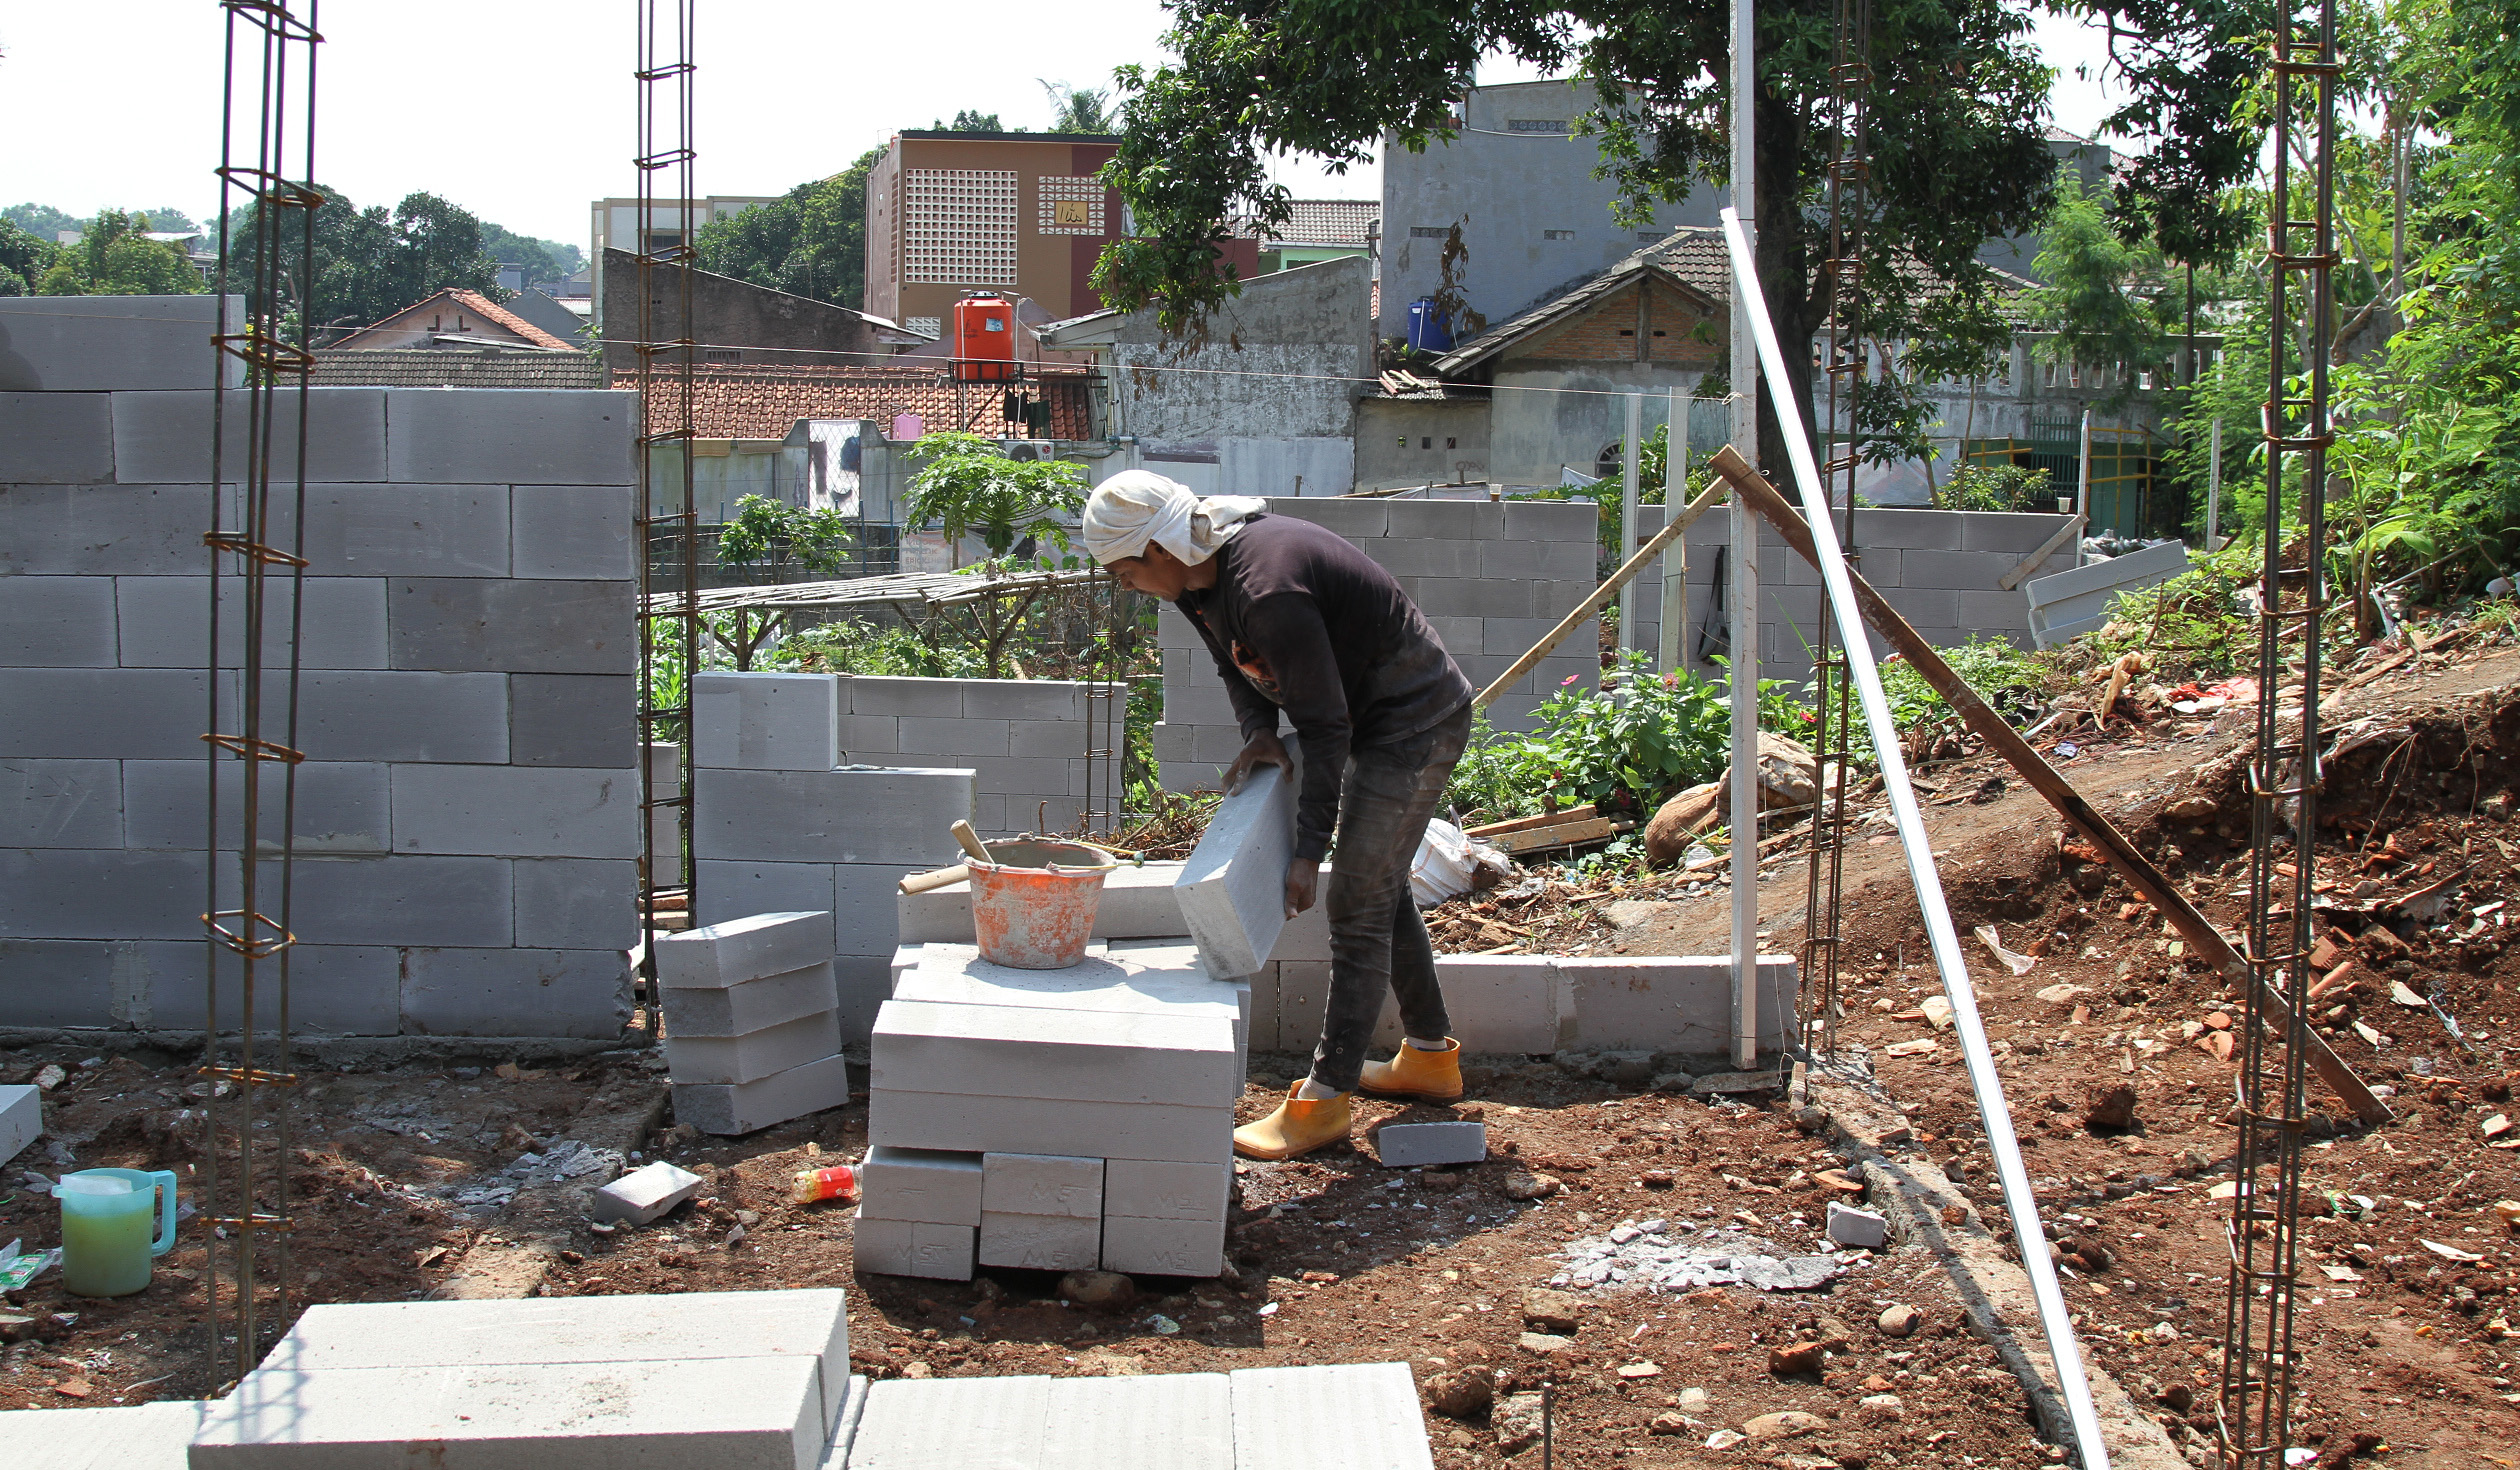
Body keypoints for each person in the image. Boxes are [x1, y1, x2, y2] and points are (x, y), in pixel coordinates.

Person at [1081, 471, 1476, 1160]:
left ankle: (1324, 1101)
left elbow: (1326, 728)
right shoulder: (1198, 581)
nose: (1126, 587)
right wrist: (1257, 729)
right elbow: (1232, 665)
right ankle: (1429, 1059)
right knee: (1378, 884)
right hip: (1372, 721)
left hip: (1416, 722)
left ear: (1161, 549)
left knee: (1356, 899)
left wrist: (1304, 851)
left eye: (1124, 571)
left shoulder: (1269, 588)